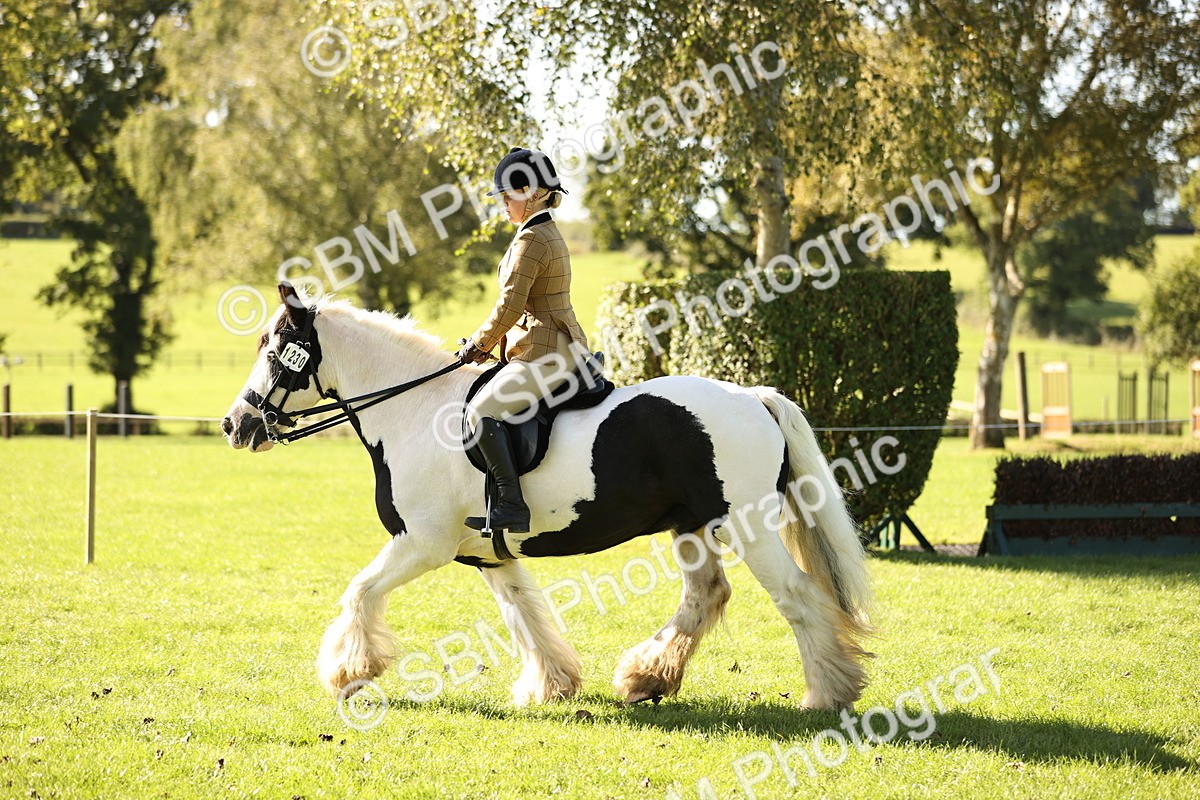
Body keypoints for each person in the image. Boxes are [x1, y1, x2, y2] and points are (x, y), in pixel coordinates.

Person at [456, 147, 591, 534]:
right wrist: (486, 344)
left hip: (546, 353)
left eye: (506, 195)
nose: (502, 203)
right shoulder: (539, 232)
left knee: (481, 413)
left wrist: (477, 346)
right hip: (546, 346)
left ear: (531, 191)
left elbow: (510, 305)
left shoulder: (532, 239)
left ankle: (512, 505)